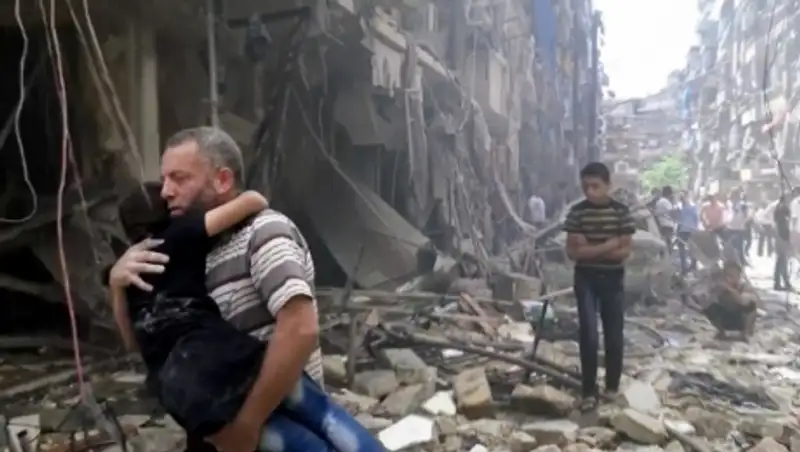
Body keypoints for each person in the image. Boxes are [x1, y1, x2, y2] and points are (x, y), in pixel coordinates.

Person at [110, 183, 382, 452]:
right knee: (323, 416)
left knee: (282, 441)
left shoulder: (129, 271)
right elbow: (253, 201)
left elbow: (133, 343)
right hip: (225, 357)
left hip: (184, 393)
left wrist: (114, 284)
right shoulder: (180, 234)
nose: (171, 189)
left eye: (178, 179)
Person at [107, 127, 331, 452]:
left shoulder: (262, 232)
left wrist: (248, 423)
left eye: (179, 178)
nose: (166, 192)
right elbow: (136, 343)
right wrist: (117, 284)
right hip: (220, 426)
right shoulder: (187, 252)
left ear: (223, 180)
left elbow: (301, 329)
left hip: (275, 421)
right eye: (164, 180)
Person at [563, 162, 635, 411]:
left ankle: (612, 388)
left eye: (595, 186)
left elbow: (624, 253)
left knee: (614, 335)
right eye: (585, 187)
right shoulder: (577, 212)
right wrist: (609, 244)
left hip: (613, 278)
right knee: (589, 334)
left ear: (608, 185)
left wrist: (589, 248)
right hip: (586, 279)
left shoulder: (621, 212)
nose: (590, 192)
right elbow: (573, 253)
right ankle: (588, 391)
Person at [703, 260, 758, 340]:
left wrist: (729, 289)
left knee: (751, 305)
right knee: (711, 307)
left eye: (733, 275)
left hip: (740, 319)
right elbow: (708, 302)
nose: (729, 278)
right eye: (727, 275)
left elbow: (742, 301)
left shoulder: (745, 286)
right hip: (726, 318)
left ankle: (745, 333)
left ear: (739, 276)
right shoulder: (721, 287)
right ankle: (721, 333)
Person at [773, 194, 793, 291]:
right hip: (782, 237)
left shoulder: (779, 208)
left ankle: (785, 282)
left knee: (782, 261)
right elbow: (783, 225)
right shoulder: (783, 209)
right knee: (781, 260)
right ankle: (778, 283)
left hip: (780, 236)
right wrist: (787, 239)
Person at [676, 191, 699, 274]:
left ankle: (684, 267)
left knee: (682, 249)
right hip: (691, 230)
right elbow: (696, 218)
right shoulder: (693, 206)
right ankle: (693, 265)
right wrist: (696, 228)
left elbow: (677, 219)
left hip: (682, 230)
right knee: (692, 249)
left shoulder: (679, 207)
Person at [728, 191, 749, 265]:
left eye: (734, 196)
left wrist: (742, 222)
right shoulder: (729, 204)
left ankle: (741, 261)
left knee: (739, 246)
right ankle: (733, 260)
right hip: (730, 228)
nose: (732, 198)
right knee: (731, 246)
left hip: (739, 228)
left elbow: (746, 216)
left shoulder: (743, 205)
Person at [653, 186, 676, 252]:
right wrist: (674, 202)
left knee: (666, 242)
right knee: (668, 243)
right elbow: (673, 212)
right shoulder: (665, 202)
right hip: (667, 225)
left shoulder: (659, 201)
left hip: (662, 224)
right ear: (669, 193)